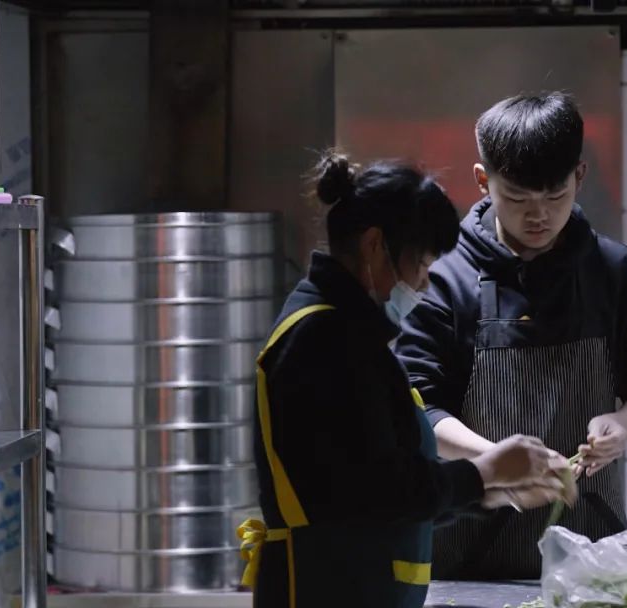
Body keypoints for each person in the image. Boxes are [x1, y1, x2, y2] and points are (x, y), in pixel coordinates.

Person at [239, 152, 575, 608]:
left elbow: (386, 487)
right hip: (327, 588)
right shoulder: (322, 338)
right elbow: (379, 492)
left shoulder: (349, 334)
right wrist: (487, 471)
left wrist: (494, 492)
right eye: (421, 263)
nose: (422, 284)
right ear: (376, 245)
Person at [394, 92, 627, 580]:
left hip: (590, 555)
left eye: (555, 196)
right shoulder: (443, 278)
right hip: (467, 560)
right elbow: (420, 409)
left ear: (579, 177)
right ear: (482, 180)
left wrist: (621, 424)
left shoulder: (614, 271)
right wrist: (495, 461)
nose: (538, 215)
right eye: (518, 198)